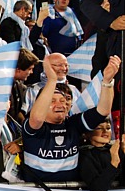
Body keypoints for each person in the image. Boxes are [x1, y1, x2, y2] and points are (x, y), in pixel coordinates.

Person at [22, 55, 120, 183]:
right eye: (52, 101)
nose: (60, 105)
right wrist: (52, 80)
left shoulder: (73, 124)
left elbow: (103, 111)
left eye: (63, 101)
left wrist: (107, 82)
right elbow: (37, 118)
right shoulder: (33, 129)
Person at [79, 120, 122, 191]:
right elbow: (98, 189)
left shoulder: (115, 149)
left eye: (108, 128)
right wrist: (114, 163)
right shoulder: (84, 154)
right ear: (86, 134)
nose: (105, 131)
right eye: (99, 128)